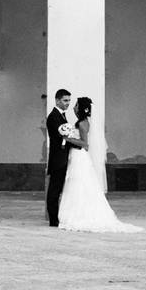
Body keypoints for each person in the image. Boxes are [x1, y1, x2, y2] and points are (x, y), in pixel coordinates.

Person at [58, 97, 142, 233]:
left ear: (82, 109)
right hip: (76, 155)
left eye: (76, 105)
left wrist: (68, 138)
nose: (74, 108)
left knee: (79, 183)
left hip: (79, 156)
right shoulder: (82, 122)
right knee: (77, 183)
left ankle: (79, 214)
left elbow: (85, 144)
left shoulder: (82, 123)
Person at [46, 89, 79, 227]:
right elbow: (61, 138)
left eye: (69, 101)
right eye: (65, 100)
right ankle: (53, 220)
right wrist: (78, 144)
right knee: (55, 189)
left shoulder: (62, 116)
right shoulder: (53, 117)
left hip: (63, 157)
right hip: (58, 159)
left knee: (59, 189)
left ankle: (57, 216)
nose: (68, 104)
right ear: (57, 100)